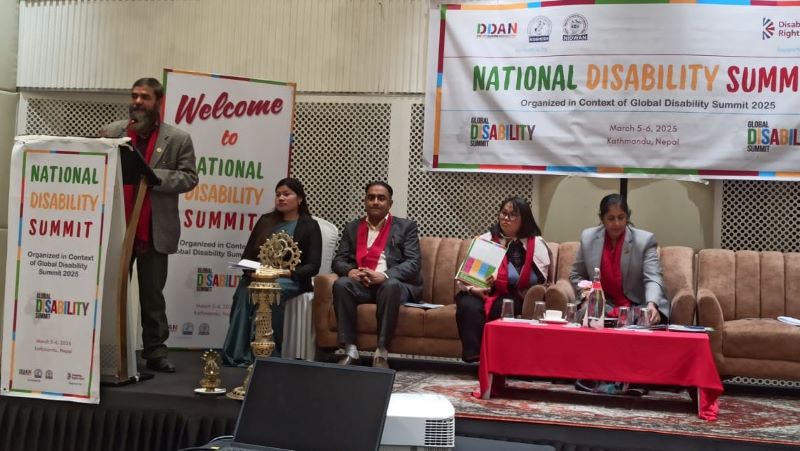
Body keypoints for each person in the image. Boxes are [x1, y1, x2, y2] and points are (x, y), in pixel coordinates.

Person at [100, 77, 198, 373]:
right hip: (117, 227)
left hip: (154, 230)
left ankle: (155, 351)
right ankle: (108, 347)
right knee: (111, 290)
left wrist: (153, 176)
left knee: (152, 295)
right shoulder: (112, 132)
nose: (138, 102)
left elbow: (189, 178)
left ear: (158, 102)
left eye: (145, 97)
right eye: (134, 96)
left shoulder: (177, 138)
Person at [222, 178, 321, 366]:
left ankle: (267, 355)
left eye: (286, 194)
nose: (281, 198)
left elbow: (313, 266)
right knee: (243, 292)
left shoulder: (309, 225)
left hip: (290, 280)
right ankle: (237, 354)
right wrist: (254, 272)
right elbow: (247, 256)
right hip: (260, 276)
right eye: (278, 195)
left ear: (299, 199)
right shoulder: (266, 221)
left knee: (269, 292)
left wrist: (285, 273)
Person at [332, 182, 422, 369]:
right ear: (365, 201)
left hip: (391, 285)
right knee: (341, 284)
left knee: (390, 286)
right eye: (371, 197)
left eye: (381, 198)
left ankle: (381, 352)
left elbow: (413, 263)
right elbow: (338, 260)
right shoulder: (352, 227)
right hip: (362, 284)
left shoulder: (406, 227)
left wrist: (385, 275)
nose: (375, 202)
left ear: (390, 203)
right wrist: (350, 271)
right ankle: (350, 350)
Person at [455, 196, 551, 363]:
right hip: (481, 291)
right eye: (503, 213)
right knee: (467, 305)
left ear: (524, 219)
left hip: (514, 293)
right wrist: (473, 289)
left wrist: (503, 278)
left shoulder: (535, 244)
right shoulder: (485, 240)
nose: (506, 218)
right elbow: (465, 278)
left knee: (503, 306)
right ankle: (474, 356)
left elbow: (540, 279)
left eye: (512, 215)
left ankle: (495, 359)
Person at [570, 193, 668, 324]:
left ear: (627, 217)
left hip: (636, 304)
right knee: (586, 313)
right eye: (611, 218)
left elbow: (653, 277)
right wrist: (588, 293)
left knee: (646, 318)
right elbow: (576, 275)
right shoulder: (588, 237)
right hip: (602, 304)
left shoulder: (644, 240)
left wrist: (652, 303)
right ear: (602, 219)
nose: (617, 223)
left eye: (621, 217)